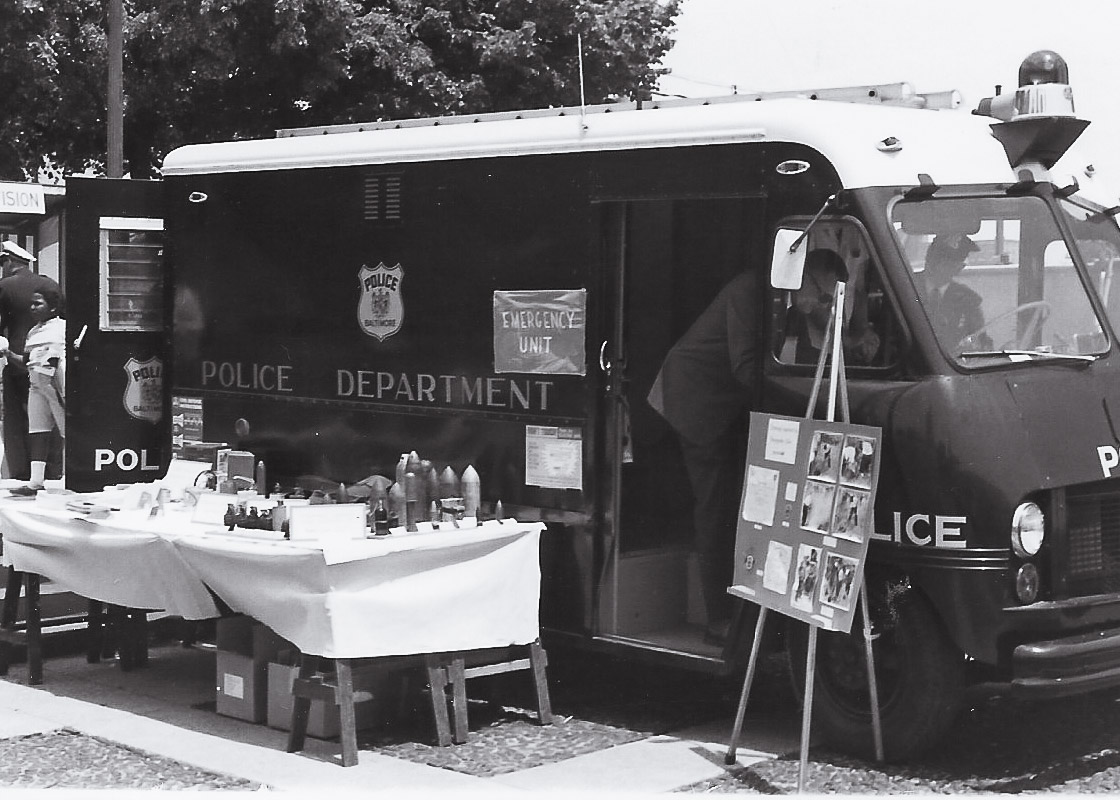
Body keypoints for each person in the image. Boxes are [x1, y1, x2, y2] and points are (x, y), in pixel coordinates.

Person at [647, 271, 757, 644]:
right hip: (694, 400)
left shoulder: (773, 294)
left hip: (722, 406)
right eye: (821, 296)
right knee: (715, 506)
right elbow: (746, 367)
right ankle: (719, 620)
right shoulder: (749, 292)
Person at [0, 241, 62, 480]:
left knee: (19, 423)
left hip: (18, 364)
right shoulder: (49, 285)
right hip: (50, 364)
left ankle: (22, 473)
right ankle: (53, 472)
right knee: (52, 420)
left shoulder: (5, 286)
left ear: (8, 261)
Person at [784, 248, 880, 365]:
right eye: (825, 298)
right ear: (805, 277)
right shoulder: (777, 318)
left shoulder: (793, 317)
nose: (825, 306)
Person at [920, 233, 992, 350]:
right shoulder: (903, 287)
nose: (956, 267)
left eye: (956, 264)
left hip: (954, 366)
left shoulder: (968, 299)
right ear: (929, 259)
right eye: (942, 260)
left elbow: (982, 341)